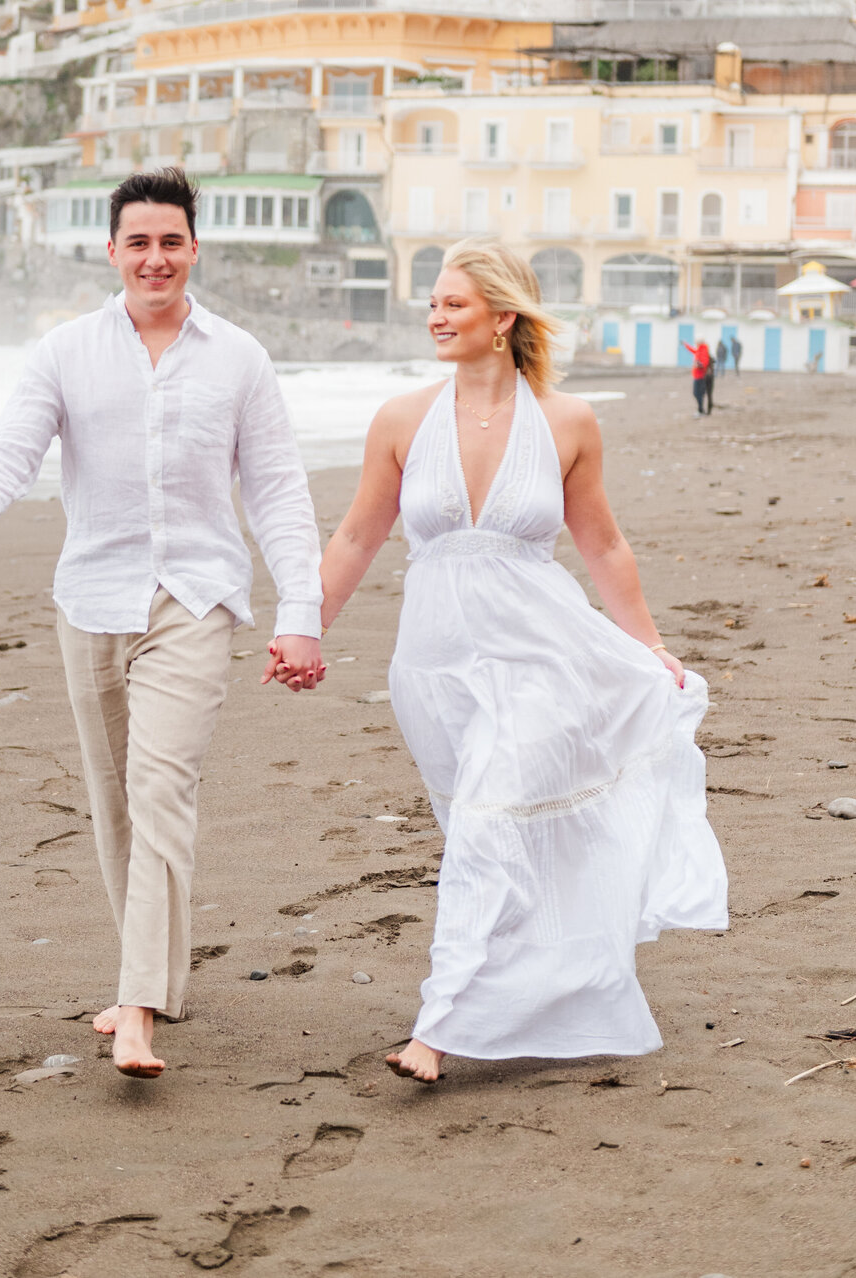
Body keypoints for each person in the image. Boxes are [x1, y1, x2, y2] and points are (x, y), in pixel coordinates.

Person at [311, 240, 727, 1084]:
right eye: (432, 302)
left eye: (453, 304)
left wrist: (646, 645)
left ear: (503, 318)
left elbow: (601, 542)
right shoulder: (400, 419)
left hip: (541, 654)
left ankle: (441, 1024)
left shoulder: (567, 421)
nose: (434, 315)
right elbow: (358, 535)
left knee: (485, 827)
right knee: (486, 829)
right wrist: (302, 627)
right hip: (434, 668)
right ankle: (560, 982)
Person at [0, 168, 323, 1079]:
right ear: (112, 252)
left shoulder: (239, 357)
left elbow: (277, 492)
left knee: (160, 790)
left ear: (196, 249)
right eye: (139, 243)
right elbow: (10, 448)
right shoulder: (65, 351)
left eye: (172, 241)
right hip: (92, 601)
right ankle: (162, 978)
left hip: (193, 601)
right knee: (116, 804)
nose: (156, 258)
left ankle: (138, 1006)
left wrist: (299, 612)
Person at [683, 337, 713, 415]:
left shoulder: (703, 350)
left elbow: (704, 363)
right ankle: (701, 409)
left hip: (700, 376)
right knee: (698, 393)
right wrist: (686, 345)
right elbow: (693, 350)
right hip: (697, 375)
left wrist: (698, 364)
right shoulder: (700, 349)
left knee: (697, 393)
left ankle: (700, 410)